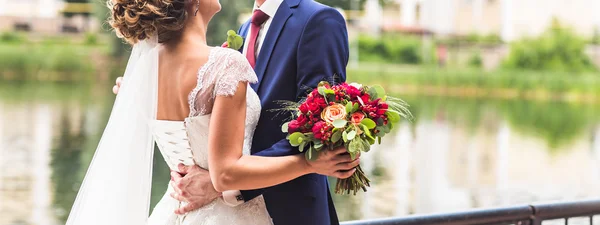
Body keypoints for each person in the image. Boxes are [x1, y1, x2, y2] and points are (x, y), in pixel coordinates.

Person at [68, 0, 354, 224]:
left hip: (291, 211)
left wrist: (219, 185)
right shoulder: (238, 39)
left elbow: (317, 128)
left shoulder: (319, 20)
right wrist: (222, 179)